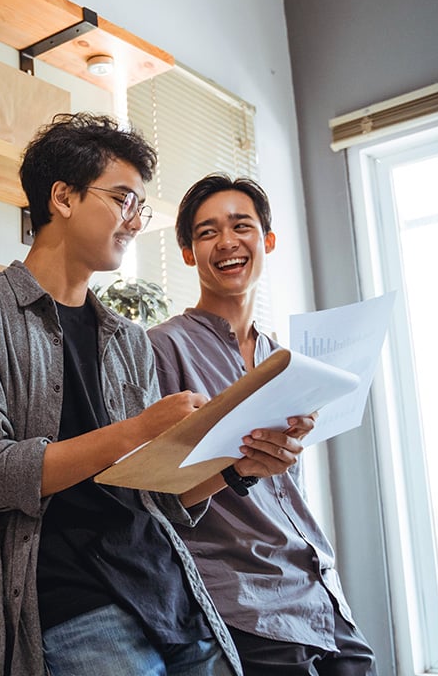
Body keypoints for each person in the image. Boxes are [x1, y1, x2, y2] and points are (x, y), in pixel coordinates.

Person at [0, 114, 308, 676]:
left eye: (140, 206)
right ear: (62, 197)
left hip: (173, 595)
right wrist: (138, 429)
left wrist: (239, 466)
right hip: (68, 604)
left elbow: (160, 497)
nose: (135, 220)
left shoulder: (127, 339)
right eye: (123, 198)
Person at [147, 173, 378, 675]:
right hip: (241, 600)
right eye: (207, 233)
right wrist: (238, 465)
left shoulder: (288, 359)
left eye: (241, 226)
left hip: (319, 588)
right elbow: (155, 497)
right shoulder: (162, 349)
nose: (227, 242)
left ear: (267, 240)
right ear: (188, 252)